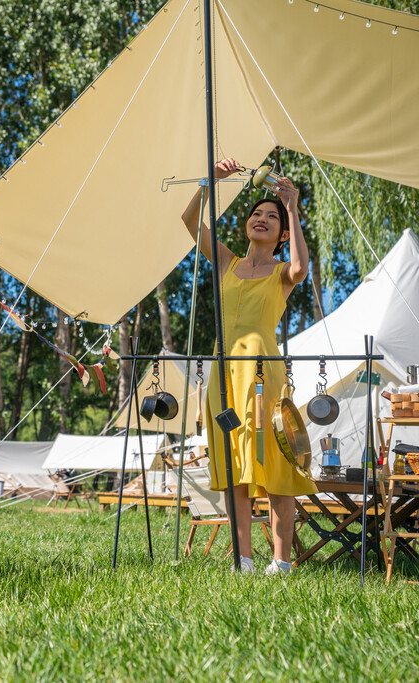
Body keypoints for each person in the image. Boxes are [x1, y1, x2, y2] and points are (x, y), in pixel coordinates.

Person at [182, 157, 317, 575]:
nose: (261, 219)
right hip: (224, 378)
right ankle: (243, 560)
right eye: (256, 214)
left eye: (270, 217)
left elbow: (301, 268)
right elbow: (189, 221)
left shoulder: (281, 271)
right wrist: (210, 181)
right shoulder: (226, 262)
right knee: (235, 468)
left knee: (274, 466)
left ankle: (281, 563)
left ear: (279, 235)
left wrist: (292, 208)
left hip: (263, 377)